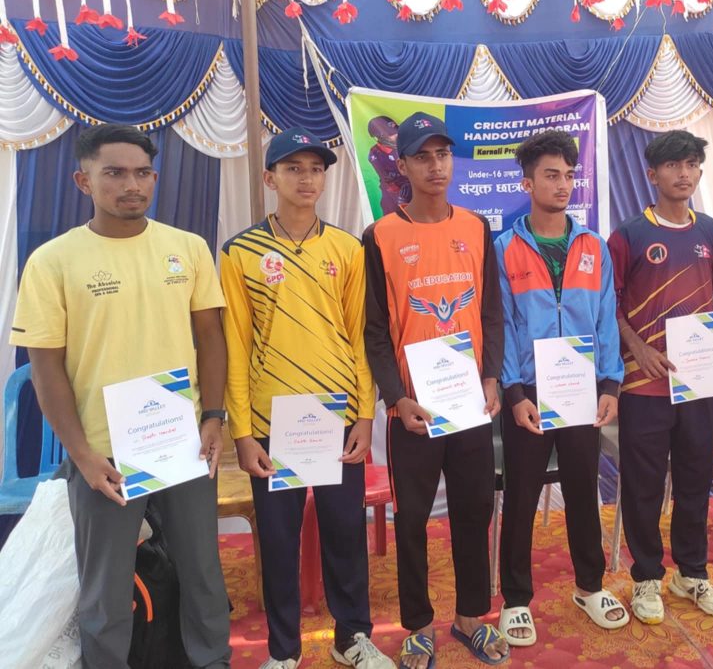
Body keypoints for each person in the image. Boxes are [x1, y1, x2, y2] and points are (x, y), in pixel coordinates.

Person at [9, 123, 231, 669]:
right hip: (103, 455)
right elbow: (45, 367)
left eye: (142, 173)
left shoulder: (187, 248)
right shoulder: (53, 261)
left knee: (203, 572)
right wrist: (81, 455)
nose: (131, 184)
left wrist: (213, 416)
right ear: (83, 181)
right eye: (114, 173)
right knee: (105, 590)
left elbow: (210, 337)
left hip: (181, 443)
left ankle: (213, 661)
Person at [220, 127, 394, 669]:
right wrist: (243, 433)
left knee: (345, 531)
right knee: (278, 540)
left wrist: (363, 415)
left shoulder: (347, 248)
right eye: (293, 168)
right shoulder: (241, 252)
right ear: (269, 178)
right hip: (274, 421)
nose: (306, 178)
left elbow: (359, 337)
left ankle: (352, 638)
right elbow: (235, 346)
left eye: (315, 169)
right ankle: (283, 651)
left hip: (336, 417)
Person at [363, 111, 510, 668]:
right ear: (401, 165)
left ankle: (471, 618)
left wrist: (491, 375)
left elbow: (491, 311)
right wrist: (395, 397)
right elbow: (376, 330)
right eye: (422, 156)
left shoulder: (475, 227)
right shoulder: (380, 235)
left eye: (443, 154)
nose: (435, 166)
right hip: (413, 410)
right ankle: (419, 626)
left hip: (469, 401)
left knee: (474, 510)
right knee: (412, 520)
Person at [494, 129, 627, 646]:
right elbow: (503, 327)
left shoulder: (593, 246)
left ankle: (589, 586)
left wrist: (610, 382)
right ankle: (516, 600)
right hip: (528, 392)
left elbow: (606, 317)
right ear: (527, 183)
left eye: (569, 175)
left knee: (582, 489)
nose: (563, 184)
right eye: (551, 175)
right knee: (521, 496)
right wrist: (514, 393)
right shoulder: (504, 248)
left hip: (581, 388)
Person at [608, 130, 713, 625]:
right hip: (643, 383)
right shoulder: (628, 235)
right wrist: (637, 347)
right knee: (644, 484)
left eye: (690, 164)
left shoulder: (709, 230)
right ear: (652, 174)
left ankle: (691, 573)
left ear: (699, 171)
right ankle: (646, 576)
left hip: (699, 378)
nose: (682, 173)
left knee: (694, 479)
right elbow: (609, 302)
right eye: (672, 165)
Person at [367, 115, 411, 215]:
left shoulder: (404, 146)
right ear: (380, 137)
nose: (396, 135)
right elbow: (388, 179)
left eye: (396, 131)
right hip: (394, 196)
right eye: (391, 134)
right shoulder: (375, 153)